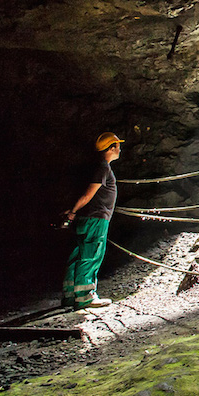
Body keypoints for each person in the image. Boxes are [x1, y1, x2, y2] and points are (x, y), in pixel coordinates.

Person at [61, 132, 123, 309]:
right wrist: (73, 211)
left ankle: (70, 295)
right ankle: (85, 297)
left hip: (86, 218)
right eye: (118, 146)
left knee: (79, 254)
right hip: (95, 219)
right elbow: (88, 194)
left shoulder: (94, 166)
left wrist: (74, 211)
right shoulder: (103, 168)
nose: (120, 149)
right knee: (91, 255)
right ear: (112, 148)